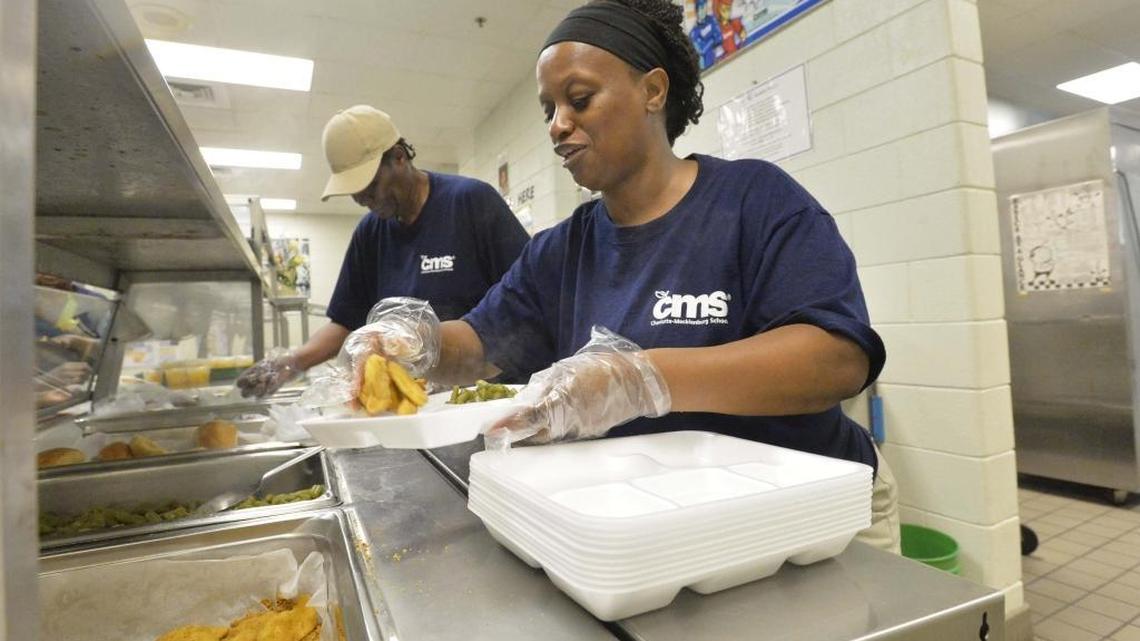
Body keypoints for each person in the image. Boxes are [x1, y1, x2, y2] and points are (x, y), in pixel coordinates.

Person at [342, 0, 899, 552]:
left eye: (579, 100)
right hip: (675, 528)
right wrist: (414, 344)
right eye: (548, 109)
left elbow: (837, 360)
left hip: (816, 516)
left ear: (653, 91)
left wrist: (641, 380)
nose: (558, 126)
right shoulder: (562, 249)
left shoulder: (755, 202)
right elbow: (479, 346)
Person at [237, 105, 530, 397]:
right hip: (417, 401)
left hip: (486, 395)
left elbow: (529, 295)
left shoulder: (470, 202)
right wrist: (292, 363)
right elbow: (345, 321)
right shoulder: (370, 233)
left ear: (399, 158)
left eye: (370, 184)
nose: (362, 197)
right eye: (353, 190)